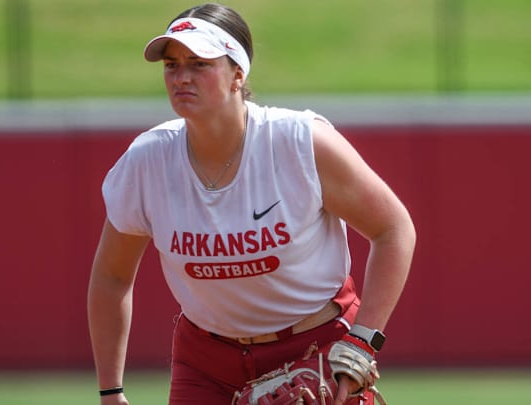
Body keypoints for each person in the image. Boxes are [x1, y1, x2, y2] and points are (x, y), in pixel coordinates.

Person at [88, 3, 416, 404]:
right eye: (172, 65)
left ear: (237, 75)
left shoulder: (299, 143)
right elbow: (111, 277)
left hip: (313, 350)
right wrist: (111, 391)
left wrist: (363, 341)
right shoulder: (147, 161)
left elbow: (393, 229)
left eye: (199, 63)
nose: (181, 77)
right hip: (206, 362)